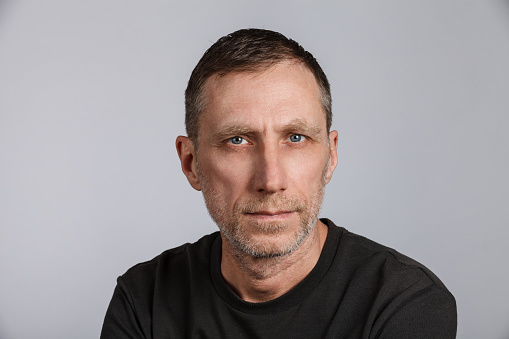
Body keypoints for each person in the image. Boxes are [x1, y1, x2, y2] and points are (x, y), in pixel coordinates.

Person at [100, 28, 457, 338]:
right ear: (191, 163)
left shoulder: (403, 303)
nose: (271, 181)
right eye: (237, 140)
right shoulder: (144, 299)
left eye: (296, 138)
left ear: (330, 156)